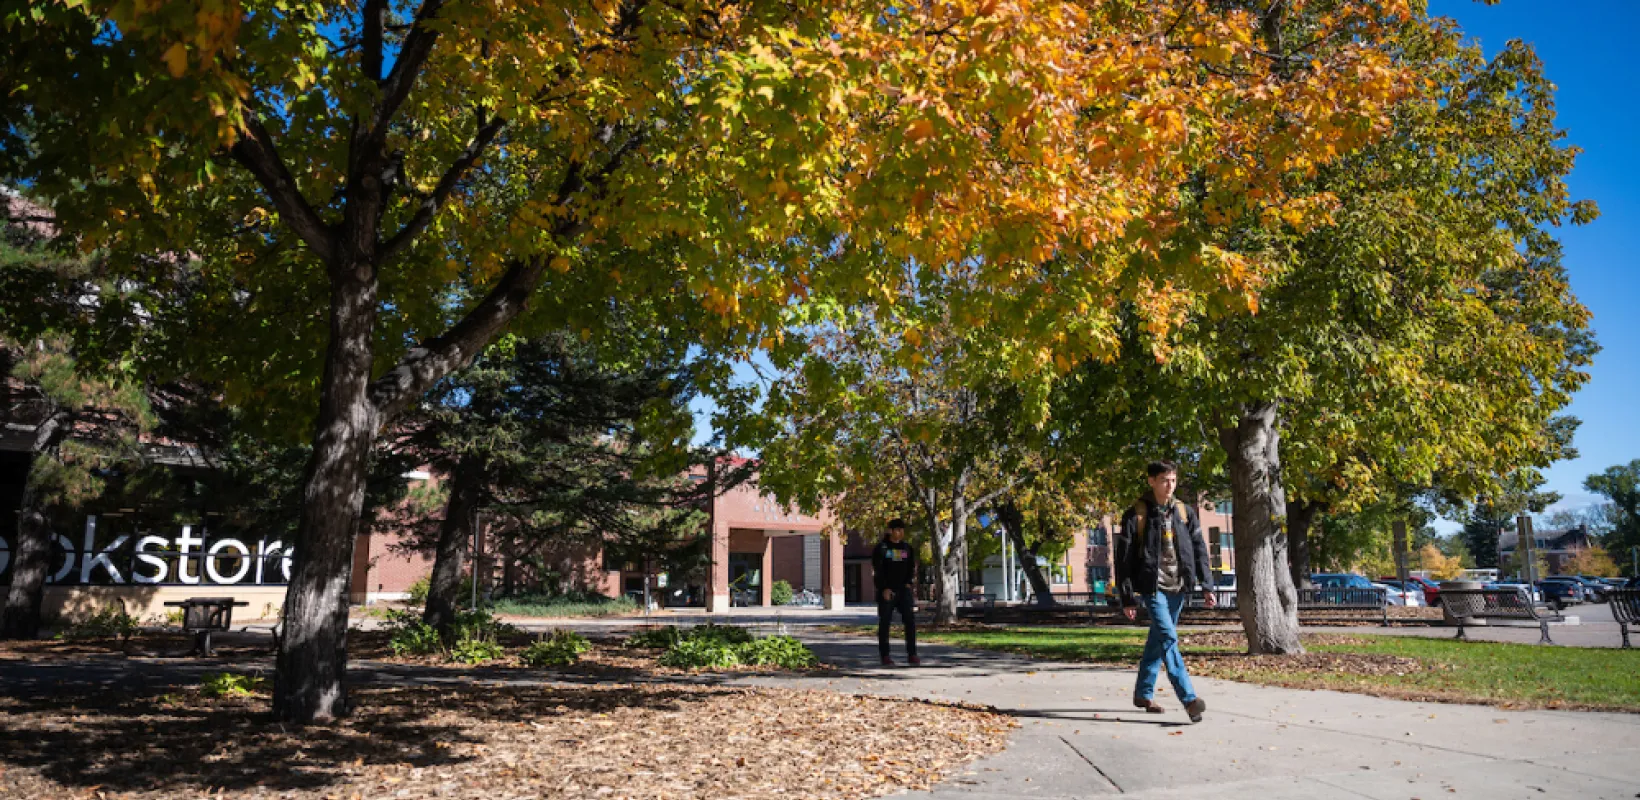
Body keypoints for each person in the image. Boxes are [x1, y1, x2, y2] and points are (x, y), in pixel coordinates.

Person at [1116, 460, 1216, 722]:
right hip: (1153, 588)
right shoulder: (1136, 514)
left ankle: (1143, 693)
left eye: (1173, 479)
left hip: (1179, 587)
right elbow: (1123, 559)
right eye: (1163, 480)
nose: (1169, 485)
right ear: (1151, 481)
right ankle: (1189, 700)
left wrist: (1207, 585)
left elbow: (1199, 549)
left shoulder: (1184, 512)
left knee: (1158, 640)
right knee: (1169, 639)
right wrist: (1127, 597)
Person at [872, 518, 920, 666]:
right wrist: (884, 588)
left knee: (910, 621)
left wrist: (908, 583)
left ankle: (912, 654)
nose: (900, 533)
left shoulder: (907, 548)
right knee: (885, 623)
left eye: (902, 530)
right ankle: (885, 656)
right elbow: (878, 570)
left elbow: (911, 567)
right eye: (897, 530)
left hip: (903, 590)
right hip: (887, 590)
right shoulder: (882, 548)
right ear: (890, 531)